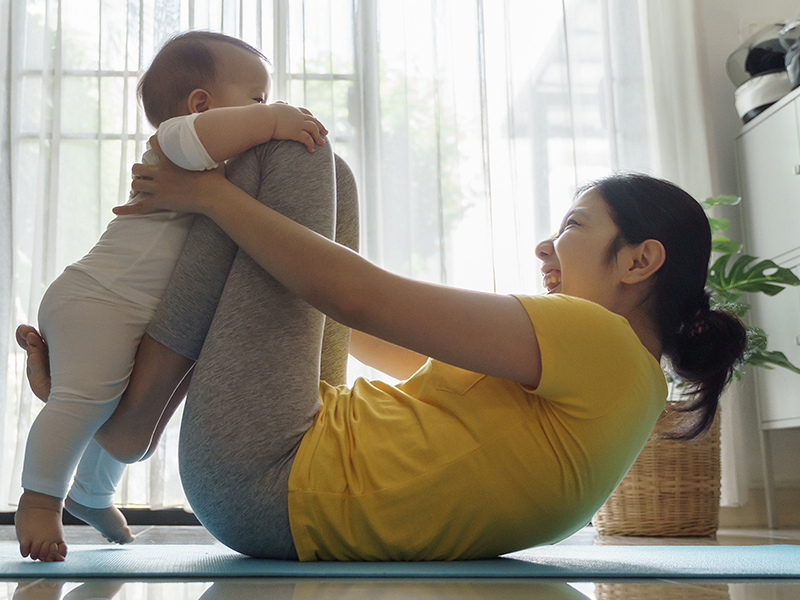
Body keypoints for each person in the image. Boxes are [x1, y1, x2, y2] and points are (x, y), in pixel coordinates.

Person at [18, 136, 747, 560]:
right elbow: (361, 333)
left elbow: (357, 299)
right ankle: (114, 395)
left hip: (273, 476)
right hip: (284, 471)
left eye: (572, 226)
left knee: (289, 155)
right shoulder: (613, 380)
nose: (544, 246)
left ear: (639, 261)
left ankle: (125, 415)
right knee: (326, 177)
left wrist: (208, 195)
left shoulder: (599, 340)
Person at [14, 30, 331, 563]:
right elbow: (213, 137)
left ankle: (91, 492)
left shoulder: (217, 175)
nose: (264, 108)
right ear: (201, 106)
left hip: (122, 308)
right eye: (255, 98)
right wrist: (274, 120)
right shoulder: (177, 141)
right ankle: (39, 500)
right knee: (86, 399)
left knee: (118, 405)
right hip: (100, 300)